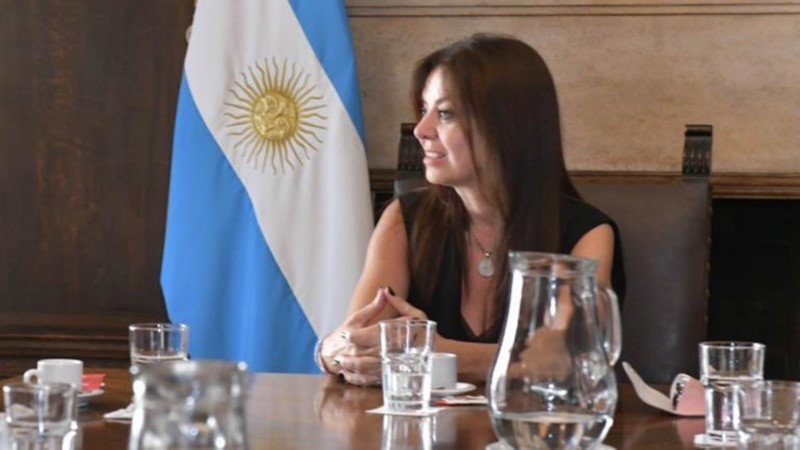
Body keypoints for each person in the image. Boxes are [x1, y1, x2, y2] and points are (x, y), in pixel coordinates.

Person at [315, 33, 626, 386]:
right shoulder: (404, 217)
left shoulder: (587, 233)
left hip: (533, 422)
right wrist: (331, 352)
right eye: (424, 110)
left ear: (508, 126)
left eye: (445, 114)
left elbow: (564, 361)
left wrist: (434, 353)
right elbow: (361, 345)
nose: (421, 130)